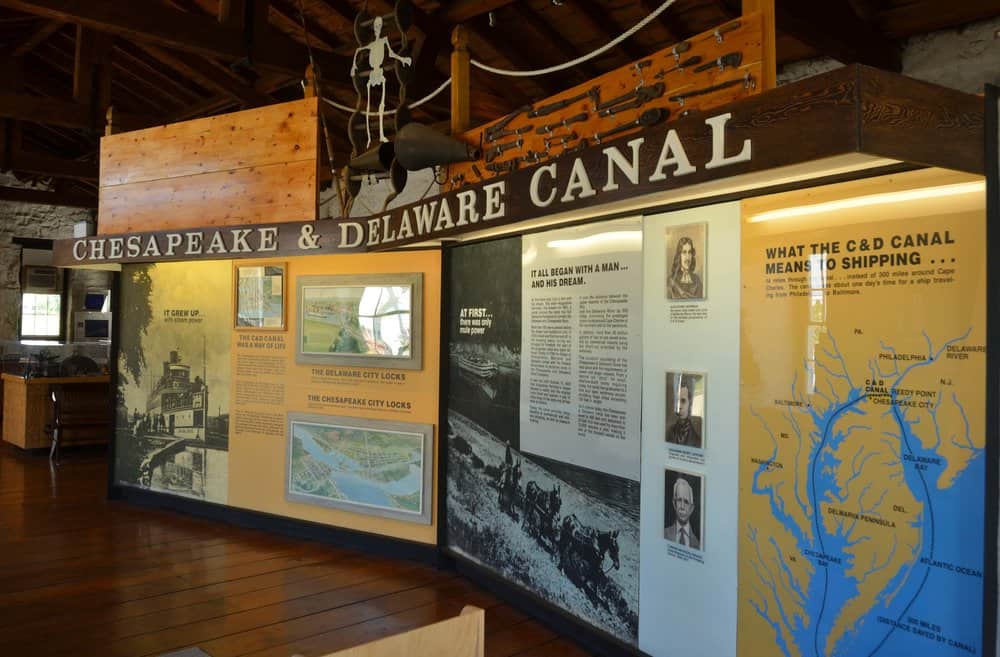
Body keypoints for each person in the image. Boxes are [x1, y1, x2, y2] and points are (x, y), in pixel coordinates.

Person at [351, 15, 412, 146]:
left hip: (379, 73)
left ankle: (382, 135)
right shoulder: (372, 44)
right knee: (367, 106)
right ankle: (368, 136)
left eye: (379, 26)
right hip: (371, 73)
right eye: (376, 27)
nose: (377, 29)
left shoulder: (383, 41)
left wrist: (402, 59)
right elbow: (359, 50)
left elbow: (390, 53)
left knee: (382, 104)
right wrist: (354, 66)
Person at [665, 374, 702, 448]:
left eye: (683, 401)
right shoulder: (669, 432)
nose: (679, 407)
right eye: (677, 400)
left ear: (690, 403)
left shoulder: (697, 440)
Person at [665, 476, 700, 549]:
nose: (682, 506)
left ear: (691, 508)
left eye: (686, 502)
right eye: (679, 500)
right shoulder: (665, 533)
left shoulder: (698, 544)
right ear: (674, 504)